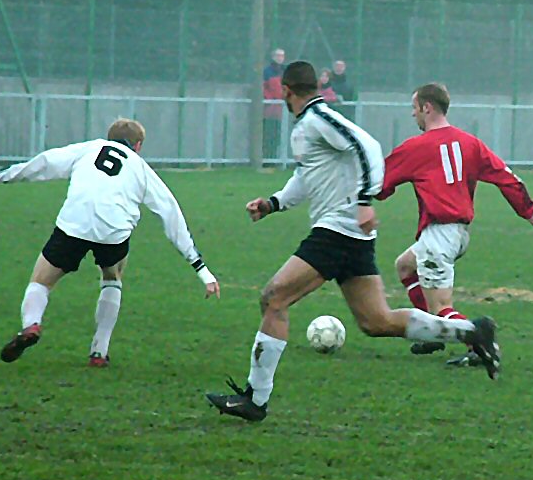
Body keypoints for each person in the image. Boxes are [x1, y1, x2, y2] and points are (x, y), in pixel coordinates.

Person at [206, 63, 500, 423]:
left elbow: (368, 147)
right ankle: (472, 330)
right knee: (376, 321)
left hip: (336, 232)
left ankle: (255, 398)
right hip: (351, 237)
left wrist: (364, 200)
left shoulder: (320, 118)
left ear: (286, 90)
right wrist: (273, 203)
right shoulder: (307, 127)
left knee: (274, 297)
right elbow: (306, 176)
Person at [0, 118, 220, 367]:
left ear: (108, 137)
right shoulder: (142, 168)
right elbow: (171, 215)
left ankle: (31, 325)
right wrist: (201, 269)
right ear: (138, 146)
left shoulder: (88, 149)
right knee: (112, 277)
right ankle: (99, 351)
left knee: (41, 280)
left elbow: (41, 164)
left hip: (74, 225)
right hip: (113, 232)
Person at [375, 83, 533, 366]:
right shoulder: (470, 143)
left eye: (414, 108)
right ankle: (432, 334)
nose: (413, 115)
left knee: (443, 308)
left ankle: (483, 344)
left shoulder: (416, 147)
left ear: (427, 107)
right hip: (458, 234)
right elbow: (506, 176)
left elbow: (379, 185)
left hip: (439, 235)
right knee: (406, 265)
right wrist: (527, 210)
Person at [263, 48, 286, 159]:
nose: (280, 58)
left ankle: (276, 158)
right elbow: (264, 88)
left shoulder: (285, 71)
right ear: (273, 57)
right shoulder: (267, 72)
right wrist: (271, 100)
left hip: (282, 110)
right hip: (270, 109)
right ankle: (267, 158)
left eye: (282, 55)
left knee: (278, 135)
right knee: (268, 134)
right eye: (277, 55)